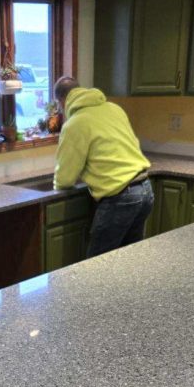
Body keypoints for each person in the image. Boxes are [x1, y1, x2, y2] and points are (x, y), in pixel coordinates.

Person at [52, 77, 153, 257]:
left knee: (96, 265)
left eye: (59, 106)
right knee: (129, 260)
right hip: (145, 189)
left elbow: (65, 178)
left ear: (61, 101)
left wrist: (57, 186)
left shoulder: (75, 124)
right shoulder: (114, 109)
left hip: (120, 197)